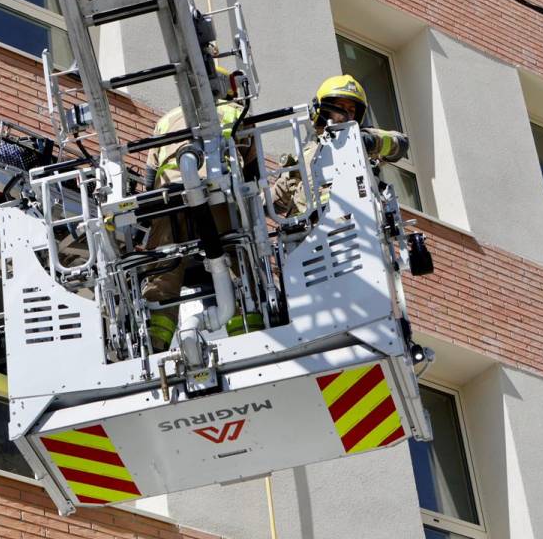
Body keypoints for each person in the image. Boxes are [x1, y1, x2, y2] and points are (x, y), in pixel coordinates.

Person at [142, 74, 261, 350]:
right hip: (219, 199)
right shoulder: (235, 111)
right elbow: (253, 177)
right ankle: (248, 337)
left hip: (169, 202)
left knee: (163, 271)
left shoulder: (166, 120)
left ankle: (155, 344)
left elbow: (148, 183)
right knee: (235, 261)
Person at [272, 74, 410, 218]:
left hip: (357, 225)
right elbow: (275, 198)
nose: (345, 115)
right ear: (324, 109)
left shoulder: (361, 138)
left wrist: (369, 142)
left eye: (351, 110)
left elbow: (401, 143)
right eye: (340, 107)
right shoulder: (304, 157)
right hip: (308, 234)